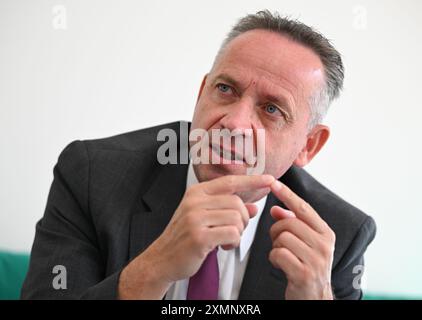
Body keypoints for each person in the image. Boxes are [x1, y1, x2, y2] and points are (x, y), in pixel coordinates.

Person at [21, 10, 376, 300]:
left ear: (308, 145)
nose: (234, 123)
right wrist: (153, 269)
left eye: (271, 109)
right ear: (202, 91)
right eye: (225, 89)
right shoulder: (92, 175)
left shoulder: (340, 235)